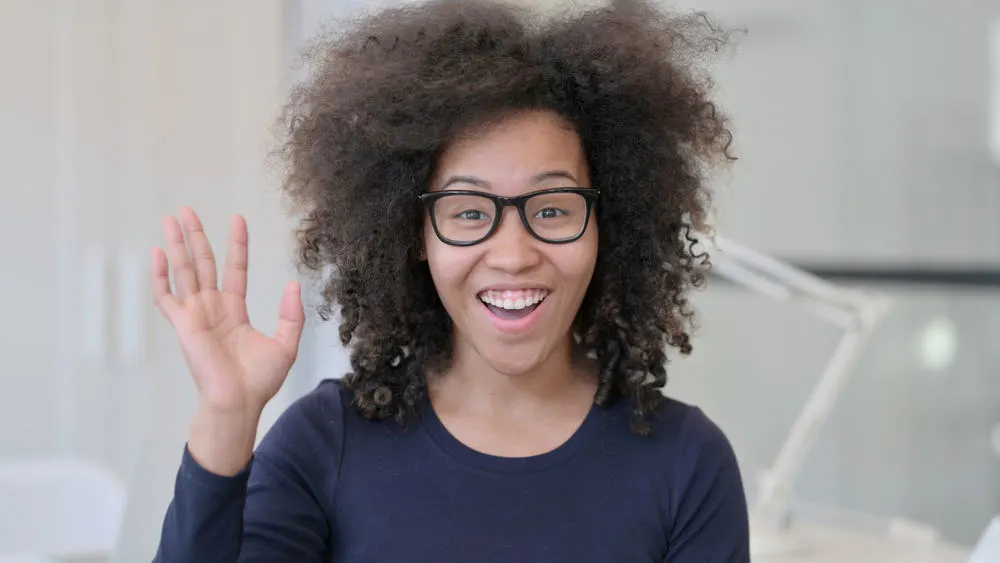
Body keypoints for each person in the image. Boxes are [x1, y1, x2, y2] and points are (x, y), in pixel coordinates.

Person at [151, 0, 749, 561]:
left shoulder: (686, 462)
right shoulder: (325, 442)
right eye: (468, 212)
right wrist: (226, 418)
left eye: (551, 209)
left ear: (606, 225)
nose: (513, 255)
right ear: (414, 235)